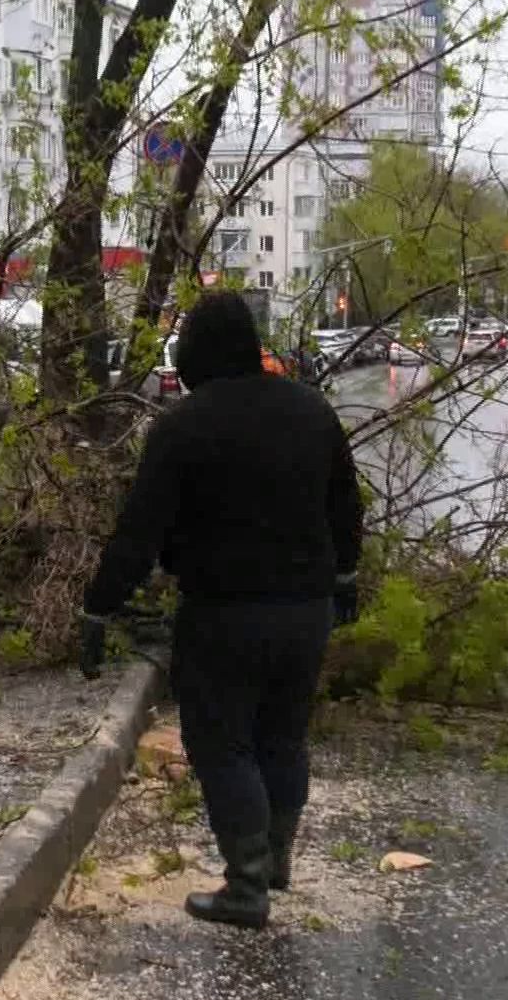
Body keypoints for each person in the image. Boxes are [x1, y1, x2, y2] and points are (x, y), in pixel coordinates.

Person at [80, 292, 364, 929]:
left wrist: (98, 608)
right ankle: (276, 862)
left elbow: (139, 533)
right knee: (282, 738)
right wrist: (346, 578)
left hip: (225, 615)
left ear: (198, 353)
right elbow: (347, 507)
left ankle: (246, 887)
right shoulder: (311, 410)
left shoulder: (185, 426)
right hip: (305, 612)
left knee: (222, 743)